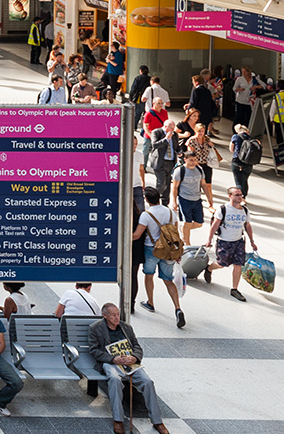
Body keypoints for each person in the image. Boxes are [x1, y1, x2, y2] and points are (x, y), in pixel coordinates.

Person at [87, 302, 168, 434]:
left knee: (147, 382)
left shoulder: (126, 327)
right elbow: (94, 350)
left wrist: (134, 358)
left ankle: (157, 421)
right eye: (113, 315)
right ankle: (118, 420)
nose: (117, 318)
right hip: (111, 362)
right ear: (105, 316)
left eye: (118, 314)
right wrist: (113, 359)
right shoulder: (95, 328)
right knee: (114, 380)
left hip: (130, 363)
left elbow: (136, 346)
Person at [132, 185, 185, 328]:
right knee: (168, 280)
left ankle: (150, 302)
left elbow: (137, 235)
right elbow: (175, 233)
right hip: (168, 251)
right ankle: (177, 308)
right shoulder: (170, 212)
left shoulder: (146, 215)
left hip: (152, 249)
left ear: (147, 199)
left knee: (149, 275)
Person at [207, 186, 257, 301]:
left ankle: (235, 289)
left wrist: (252, 241)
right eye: (237, 195)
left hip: (238, 241)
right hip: (224, 241)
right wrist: (209, 239)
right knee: (222, 263)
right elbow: (215, 225)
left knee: (238, 264)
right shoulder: (223, 209)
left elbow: (247, 225)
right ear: (230, 196)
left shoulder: (245, 210)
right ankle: (209, 268)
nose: (240, 197)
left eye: (241, 195)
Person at [171, 151, 210, 244]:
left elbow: (204, 185)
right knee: (187, 223)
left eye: (195, 160)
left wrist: (209, 200)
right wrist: (174, 201)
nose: (194, 162)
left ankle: (184, 229)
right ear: (185, 160)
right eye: (191, 160)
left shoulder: (199, 170)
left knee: (199, 223)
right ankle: (187, 244)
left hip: (197, 200)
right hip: (185, 200)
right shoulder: (180, 171)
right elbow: (175, 187)